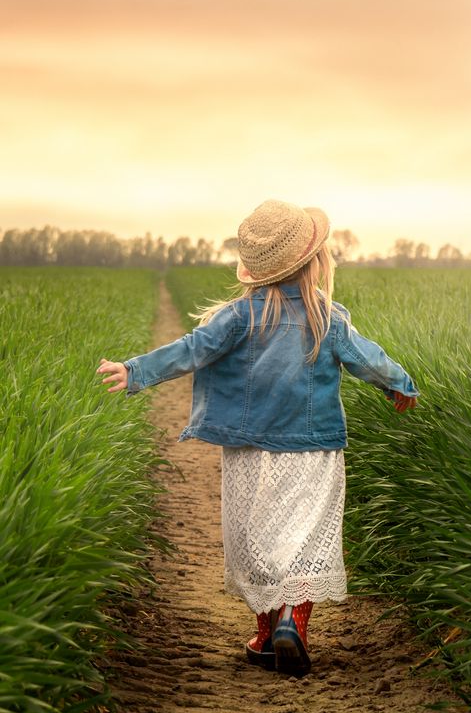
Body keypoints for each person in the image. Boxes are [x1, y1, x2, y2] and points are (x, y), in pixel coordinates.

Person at [97, 199, 419, 678]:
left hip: (249, 451)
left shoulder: (238, 315)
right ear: (316, 262)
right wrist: (399, 384)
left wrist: (135, 370)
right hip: (313, 448)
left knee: (257, 535)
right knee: (305, 535)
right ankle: (294, 621)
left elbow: (192, 350)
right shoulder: (328, 317)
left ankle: (266, 633)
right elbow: (367, 358)